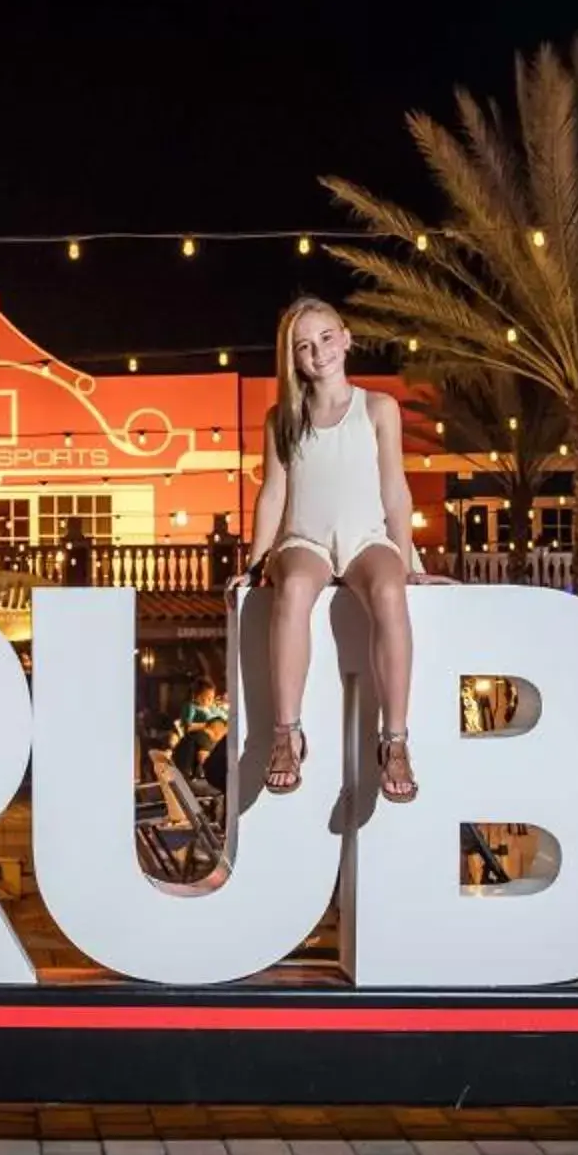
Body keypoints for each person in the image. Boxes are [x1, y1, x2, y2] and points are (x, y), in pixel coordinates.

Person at [230, 297, 419, 803]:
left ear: (347, 337)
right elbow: (273, 493)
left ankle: (395, 740)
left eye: (327, 338)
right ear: (292, 358)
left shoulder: (378, 408)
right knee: (290, 587)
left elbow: (395, 489)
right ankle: (286, 735)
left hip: (366, 538)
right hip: (304, 539)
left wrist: (409, 558)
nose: (319, 353)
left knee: (389, 590)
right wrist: (255, 560)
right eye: (305, 346)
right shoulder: (282, 420)